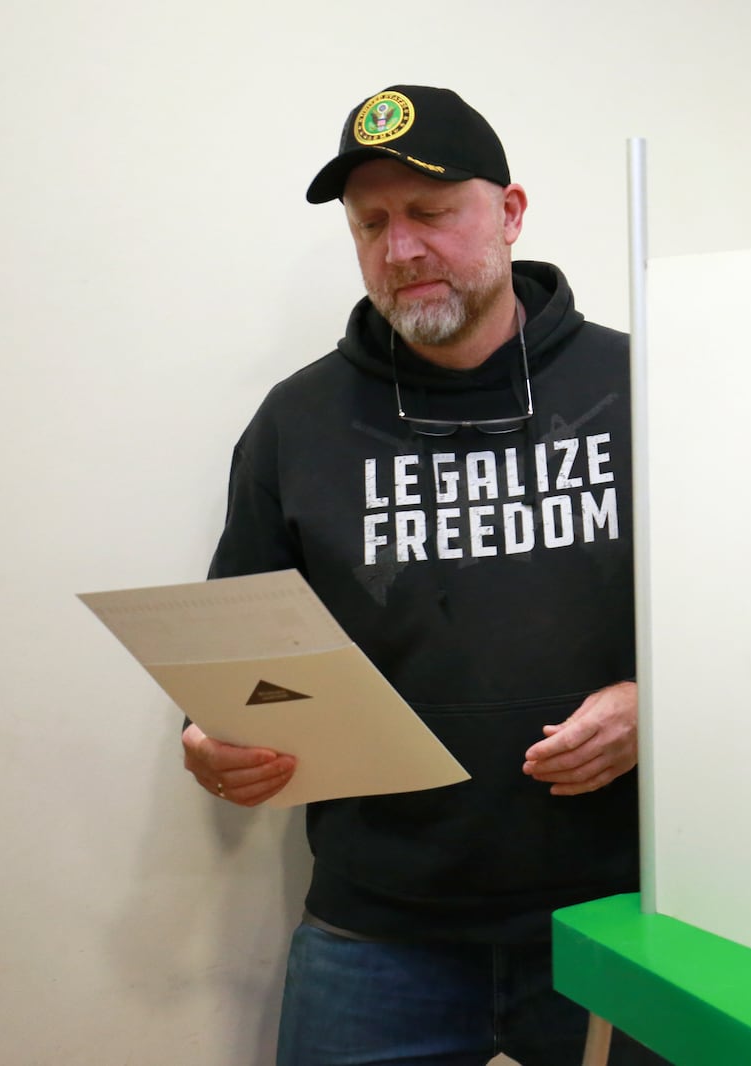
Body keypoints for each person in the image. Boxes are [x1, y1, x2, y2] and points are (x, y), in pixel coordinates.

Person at [180, 84, 661, 1066]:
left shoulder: (644, 387)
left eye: (431, 214)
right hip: (377, 930)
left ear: (511, 214)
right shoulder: (296, 422)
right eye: (373, 224)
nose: (399, 249)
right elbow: (234, 650)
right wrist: (208, 734)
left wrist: (661, 702)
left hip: (622, 913)